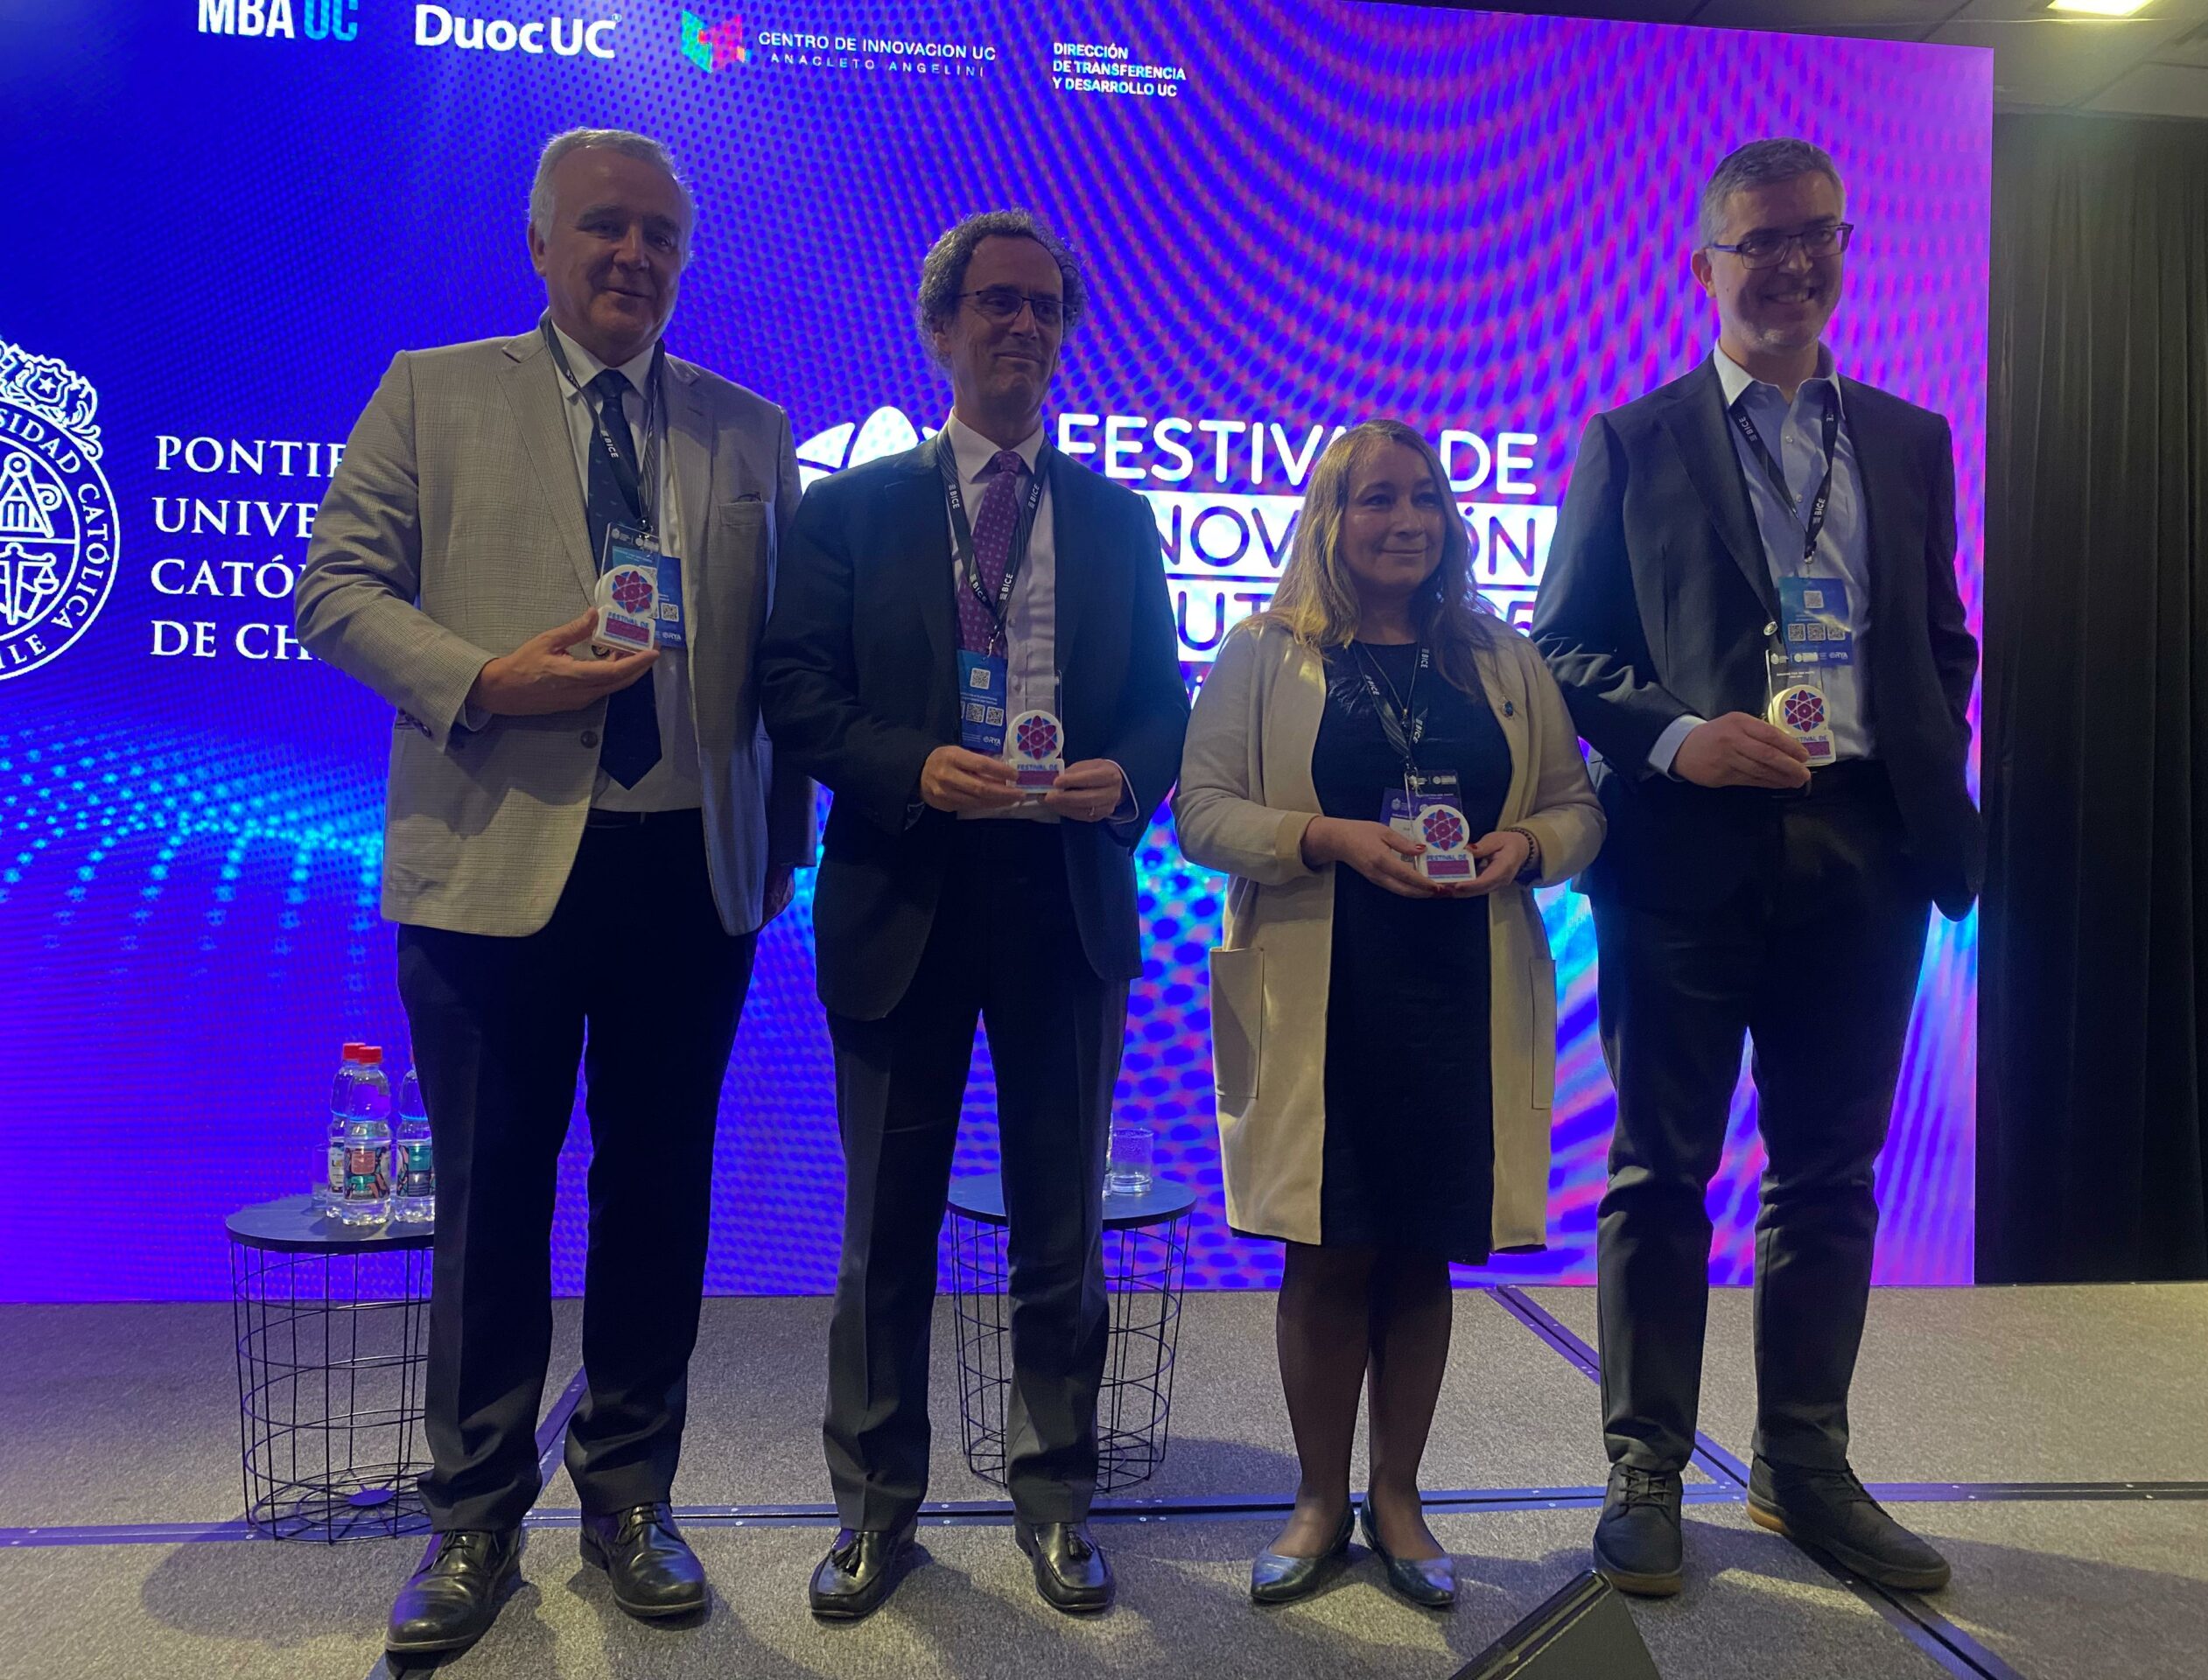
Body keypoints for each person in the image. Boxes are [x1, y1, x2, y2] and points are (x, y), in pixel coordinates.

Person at [296, 128, 811, 1659]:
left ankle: (632, 1496)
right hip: (491, 871)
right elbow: (335, 587)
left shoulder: (749, 429)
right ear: (540, 243)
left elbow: (780, 663)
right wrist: (482, 679)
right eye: (603, 226)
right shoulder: (432, 392)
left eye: (659, 234)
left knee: (659, 1198)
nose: (632, 255)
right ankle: (471, 1520)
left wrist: (777, 848)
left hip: (688, 872)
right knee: (493, 1202)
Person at [1532, 138, 1984, 1599]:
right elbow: (1563, 648)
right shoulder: (1633, 439)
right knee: (1660, 1171)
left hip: (1865, 852)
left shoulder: (1909, 439)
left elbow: (1942, 640)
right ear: (1705, 266)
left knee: (1831, 1175)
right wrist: (1681, 739)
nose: (1792, 264)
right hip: (1686, 851)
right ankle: (1646, 1469)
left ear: (1844, 250)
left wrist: (1905, 763)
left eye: (1817, 237)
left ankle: (1804, 1464)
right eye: (1761, 241)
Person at [760, 211, 1188, 1620]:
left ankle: (1055, 1500)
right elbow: (795, 691)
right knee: (884, 1234)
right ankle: (874, 1511)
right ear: (940, 328)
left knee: (1060, 1230)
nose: (1023, 326)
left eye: (1045, 307)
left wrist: (1126, 778)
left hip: (1063, 903)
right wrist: (908, 767)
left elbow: (1162, 705)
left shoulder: (1118, 519)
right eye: (996, 303)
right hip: (906, 895)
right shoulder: (853, 509)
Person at [1174, 420, 1603, 1608]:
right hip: (1324, 986)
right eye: (1377, 499)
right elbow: (1202, 811)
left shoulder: (1502, 657)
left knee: (1421, 1249)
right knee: (1325, 1249)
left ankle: (1399, 1499)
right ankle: (1319, 1502)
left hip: (1462, 992)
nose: (1406, 520)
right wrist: (1325, 836)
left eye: (1424, 498)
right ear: (1330, 518)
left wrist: (1527, 846)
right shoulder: (1264, 653)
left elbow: (1577, 807)